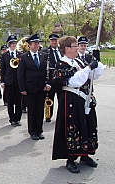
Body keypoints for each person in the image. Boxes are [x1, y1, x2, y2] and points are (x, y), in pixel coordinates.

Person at [52, 36, 104, 173]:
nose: (77, 48)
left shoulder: (78, 61)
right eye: (75, 46)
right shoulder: (62, 64)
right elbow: (74, 81)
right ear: (67, 48)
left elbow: (93, 76)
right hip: (72, 100)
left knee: (87, 125)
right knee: (73, 127)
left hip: (84, 99)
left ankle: (85, 154)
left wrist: (96, 63)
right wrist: (88, 67)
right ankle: (71, 159)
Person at [17, 33, 51, 140]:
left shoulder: (43, 55)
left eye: (37, 43)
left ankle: (39, 130)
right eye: (34, 43)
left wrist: (48, 83)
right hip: (30, 88)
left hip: (41, 87)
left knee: (40, 110)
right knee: (32, 110)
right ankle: (32, 131)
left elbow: (47, 71)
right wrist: (22, 88)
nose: (36, 45)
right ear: (29, 45)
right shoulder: (24, 57)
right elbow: (20, 74)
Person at [0, 35, 22, 126]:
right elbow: (3, 69)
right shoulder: (4, 55)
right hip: (9, 81)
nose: (13, 45)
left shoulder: (20, 54)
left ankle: (17, 118)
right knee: (10, 102)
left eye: (15, 43)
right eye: (12, 43)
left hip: (18, 81)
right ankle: (12, 119)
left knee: (18, 101)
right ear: (9, 44)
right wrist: (2, 81)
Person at [42, 33, 63, 122]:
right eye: (52, 41)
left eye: (55, 40)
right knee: (50, 98)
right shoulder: (45, 51)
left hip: (60, 79)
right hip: (51, 79)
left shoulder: (61, 51)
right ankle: (48, 115)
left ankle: (61, 116)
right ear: (50, 41)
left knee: (61, 99)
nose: (54, 42)